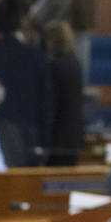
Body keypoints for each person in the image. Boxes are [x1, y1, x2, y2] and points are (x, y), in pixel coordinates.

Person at [0, 0, 51, 155]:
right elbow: (47, 103)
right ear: (21, 22)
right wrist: (46, 141)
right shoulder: (36, 57)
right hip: (28, 138)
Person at [39, 20, 87, 165]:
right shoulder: (75, 64)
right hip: (73, 136)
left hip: (58, 139)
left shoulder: (55, 67)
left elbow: (52, 105)